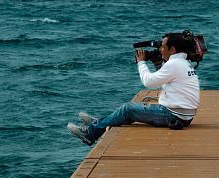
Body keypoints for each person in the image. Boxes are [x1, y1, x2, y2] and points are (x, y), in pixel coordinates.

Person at [67, 32, 201, 146]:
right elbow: (164, 82)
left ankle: (91, 134)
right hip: (184, 116)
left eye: (163, 47)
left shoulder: (173, 64)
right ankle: (98, 123)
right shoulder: (183, 63)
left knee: (127, 109)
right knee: (131, 111)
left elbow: (148, 82)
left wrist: (141, 62)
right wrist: (157, 64)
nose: (160, 50)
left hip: (173, 115)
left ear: (172, 50)